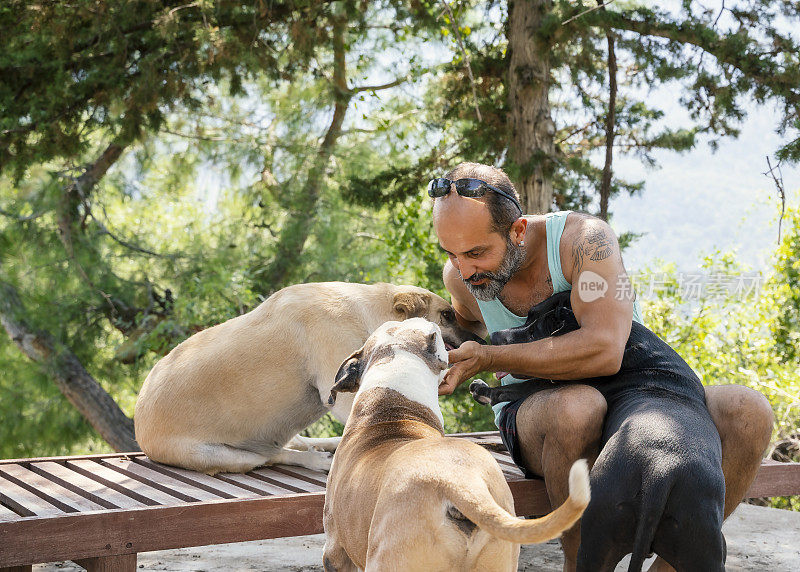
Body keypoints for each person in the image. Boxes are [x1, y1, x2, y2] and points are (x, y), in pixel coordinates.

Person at [431, 162, 774, 572]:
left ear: (518, 230)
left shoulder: (585, 242)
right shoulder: (461, 279)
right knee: (577, 408)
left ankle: (672, 567)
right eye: (451, 253)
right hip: (540, 409)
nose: (464, 270)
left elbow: (606, 351)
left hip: (635, 390)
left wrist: (490, 358)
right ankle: (581, 565)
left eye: (476, 253)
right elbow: (462, 325)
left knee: (748, 411)